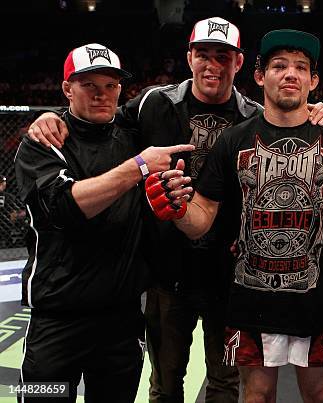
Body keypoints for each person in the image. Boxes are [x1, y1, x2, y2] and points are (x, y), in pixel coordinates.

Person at [26, 17, 323, 403]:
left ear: (239, 64)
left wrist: (318, 111)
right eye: (203, 54)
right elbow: (97, 117)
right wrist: (53, 115)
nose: (212, 65)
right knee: (165, 381)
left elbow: (293, 121)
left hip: (227, 274)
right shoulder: (152, 104)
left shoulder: (255, 117)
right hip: (163, 272)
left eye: (223, 57)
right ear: (189, 57)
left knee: (224, 383)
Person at [145, 29, 323, 402]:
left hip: (316, 297)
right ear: (260, 76)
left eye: (301, 67)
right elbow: (202, 217)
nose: (290, 74)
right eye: (279, 65)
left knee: (319, 396)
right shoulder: (233, 140)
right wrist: (177, 211)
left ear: (313, 80)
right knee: (256, 395)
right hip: (251, 297)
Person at [14, 43, 194, 402]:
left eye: (110, 86)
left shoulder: (131, 135)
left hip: (121, 321)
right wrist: (139, 167)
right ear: (67, 89)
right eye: (89, 85)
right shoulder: (42, 142)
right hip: (55, 319)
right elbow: (63, 207)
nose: (102, 95)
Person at [0, 174, 27, 248]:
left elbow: (18, 209)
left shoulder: (8, 196)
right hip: (7, 220)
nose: (4, 184)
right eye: (2, 182)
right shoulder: (7, 196)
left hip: (7, 220)